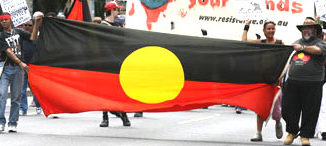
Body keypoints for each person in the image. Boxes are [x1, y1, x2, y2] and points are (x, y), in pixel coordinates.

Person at [282, 17, 326, 146]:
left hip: (313, 83)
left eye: (309, 28)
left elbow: (318, 51)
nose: (306, 30)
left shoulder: (320, 43)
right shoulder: (296, 42)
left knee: (310, 111)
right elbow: (290, 60)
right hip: (293, 82)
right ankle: (292, 131)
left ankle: (305, 136)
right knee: (287, 109)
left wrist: (301, 48)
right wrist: (282, 75)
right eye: (304, 28)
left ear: (315, 30)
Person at [242, 20, 284, 142]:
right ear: (264, 31)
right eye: (268, 29)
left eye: (273, 28)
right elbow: (244, 41)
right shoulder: (262, 43)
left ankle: (278, 122)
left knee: (276, 109)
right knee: (260, 107)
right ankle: (259, 133)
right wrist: (246, 26)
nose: (271, 31)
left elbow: (286, 61)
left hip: (275, 81)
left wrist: (280, 77)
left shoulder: (281, 43)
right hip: (262, 80)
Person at [0, 12, 36, 132]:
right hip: (5, 69)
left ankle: (13, 123)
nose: (4, 21)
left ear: (10, 20)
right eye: (2, 20)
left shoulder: (19, 32)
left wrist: (37, 23)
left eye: (6, 19)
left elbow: (32, 37)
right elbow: (8, 51)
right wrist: (21, 63)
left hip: (18, 70)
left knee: (16, 97)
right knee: (2, 95)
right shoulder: (1, 35)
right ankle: (1, 122)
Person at [99, 1, 130, 127]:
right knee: (105, 91)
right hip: (106, 63)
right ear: (111, 11)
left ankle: (124, 115)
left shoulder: (118, 25)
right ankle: (105, 117)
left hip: (119, 62)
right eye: (117, 10)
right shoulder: (102, 25)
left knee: (119, 91)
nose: (119, 12)